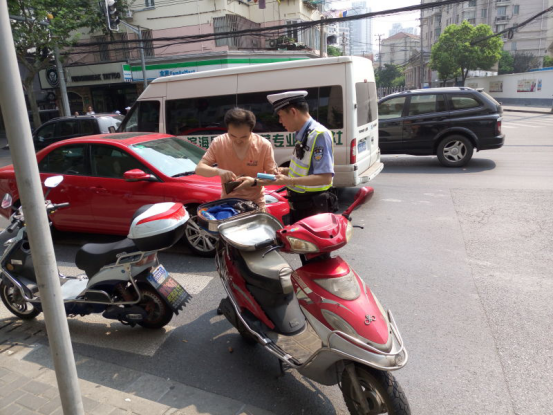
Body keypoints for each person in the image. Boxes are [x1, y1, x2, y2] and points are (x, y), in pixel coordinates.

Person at [264, 90, 337, 224]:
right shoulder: (304, 134)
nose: (280, 121)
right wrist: (284, 171)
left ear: (293, 112)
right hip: (300, 204)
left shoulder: (319, 134)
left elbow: (325, 177)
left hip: (313, 206)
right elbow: (306, 169)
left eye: (281, 116)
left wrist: (288, 180)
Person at [195, 108, 278, 210]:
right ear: (227, 129)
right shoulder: (219, 142)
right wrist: (218, 171)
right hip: (228, 204)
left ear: (251, 130)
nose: (238, 141)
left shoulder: (263, 145)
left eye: (244, 137)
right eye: (232, 136)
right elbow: (199, 169)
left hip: (256, 204)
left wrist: (254, 181)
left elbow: (273, 177)